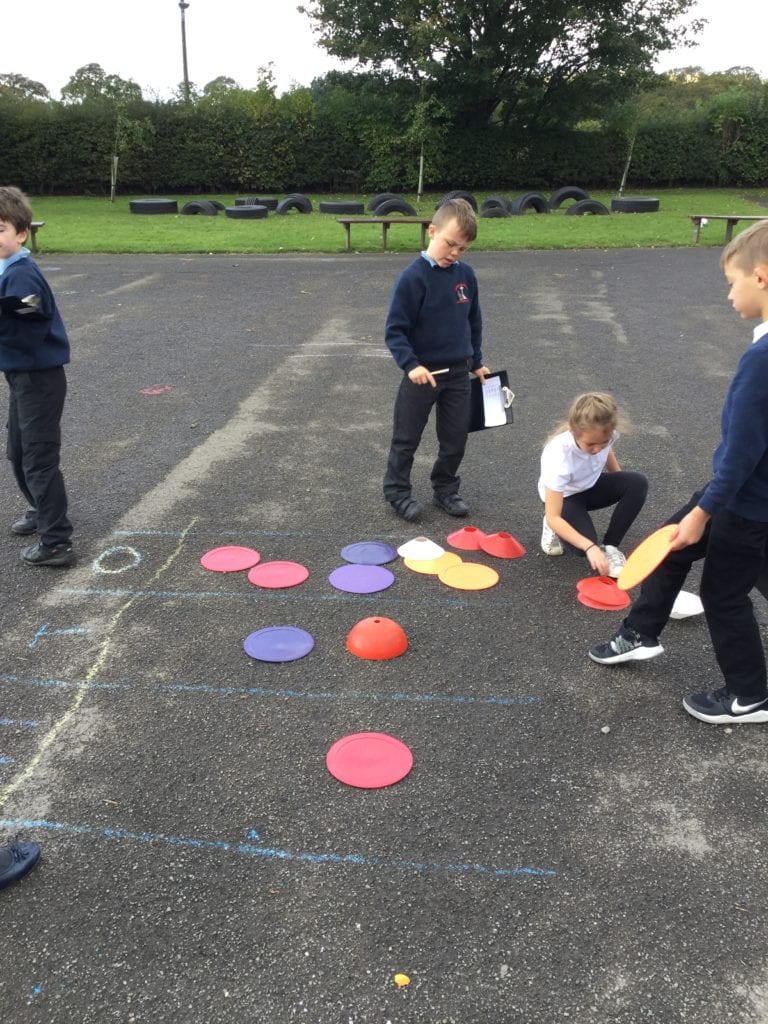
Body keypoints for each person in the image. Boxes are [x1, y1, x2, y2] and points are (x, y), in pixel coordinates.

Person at [589, 218, 768, 725]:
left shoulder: (761, 360)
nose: (728, 294)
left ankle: (750, 696)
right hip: (738, 491)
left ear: (762, 276)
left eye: (732, 281)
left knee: (722, 594)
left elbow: (743, 450)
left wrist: (705, 511)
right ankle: (640, 633)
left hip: (744, 501)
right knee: (669, 547)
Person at [382, 197, 489, 522]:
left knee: (455, 439)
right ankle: (397, 492)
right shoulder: (412, 278)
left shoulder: (465, 276)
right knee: (406, 438)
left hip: (458, 375)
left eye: (462, 249)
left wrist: (477, 362)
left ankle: (445, 489)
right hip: (422, 374)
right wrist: (411, 365)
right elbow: (395, 331)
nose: (454, 253)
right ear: (432, 231)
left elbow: (473, 322)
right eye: (450, 244)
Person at [0, 185, 75, 566]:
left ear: (22, 233)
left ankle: (57, 542)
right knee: (18, 452)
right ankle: (40, 509)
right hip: (21, 376)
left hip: (39, 379)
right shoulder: (7, 270)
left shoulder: (23, 277)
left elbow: (25, 331)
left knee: (38, 457)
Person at [538, 392, 648, 578]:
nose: (597, 449)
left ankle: (610, 547)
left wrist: (620, 480)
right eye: (590, 444)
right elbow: (553, 517)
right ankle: (555, 530)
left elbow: (607, 451)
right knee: (582, 548)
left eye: (603, 443)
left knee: (637, 483)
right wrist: (590, 547)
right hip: (564, 498)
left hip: (590, 486)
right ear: (574, 431)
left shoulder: (607, 433)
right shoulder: (558, 456)